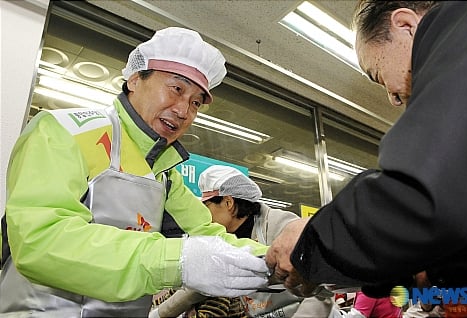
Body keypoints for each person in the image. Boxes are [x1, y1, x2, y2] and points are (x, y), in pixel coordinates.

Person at [0, 27, 270, 317]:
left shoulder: (165, 174)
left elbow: (209, 235)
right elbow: (41, 243)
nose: (184, 111)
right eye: (176, 89)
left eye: (195, 103)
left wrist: (279, 259)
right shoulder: (63, 131)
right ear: (134, 79)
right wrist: (178, 260)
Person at [265, 0, 467, 299]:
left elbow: (428, 192)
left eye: (377, 74)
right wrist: (427, 271)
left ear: (405, 25)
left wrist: (313, 239)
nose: (391, 98)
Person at [150, 165, 333, 318]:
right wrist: (158, 314)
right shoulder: (224, 241)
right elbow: (196, 289)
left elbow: (320, 291)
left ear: (228, 202)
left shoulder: (281, 226)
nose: (204, 215)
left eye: (206, 206)